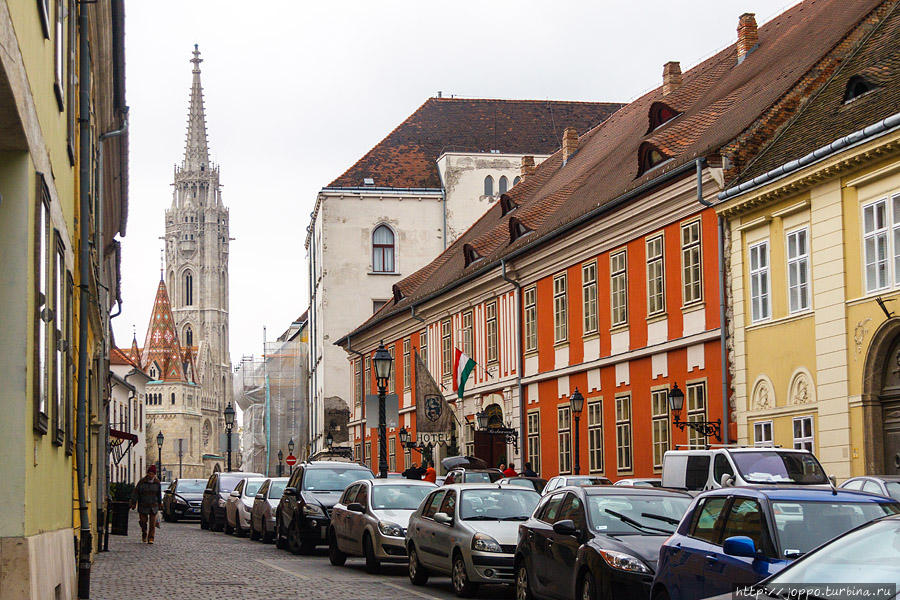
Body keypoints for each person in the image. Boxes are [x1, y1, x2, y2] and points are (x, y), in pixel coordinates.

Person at [131, 465, 162, 544]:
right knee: (143, 521)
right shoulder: (142, 482)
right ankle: (144, 532)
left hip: (153, 506)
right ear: (148, 473)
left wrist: (160, 503)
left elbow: (159, 494)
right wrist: (134, 502)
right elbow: (136, 492)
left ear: (154, 475)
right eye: (150, 473)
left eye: (152, 474)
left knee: (152, 523)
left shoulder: (157, 483)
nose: (151, 475)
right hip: (143, 505)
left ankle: (151, 538)